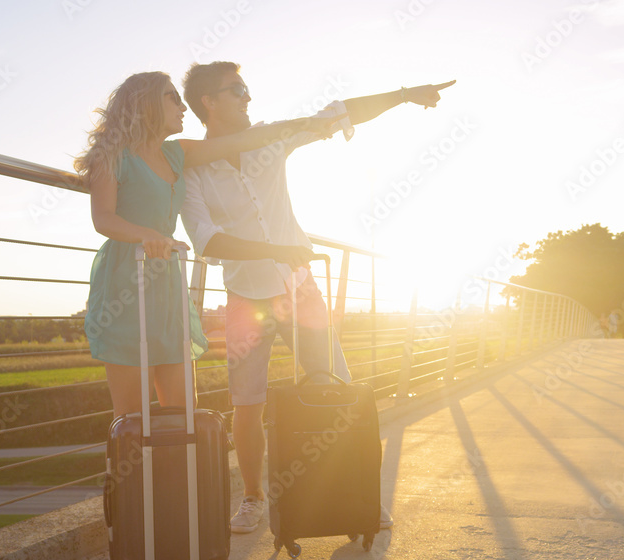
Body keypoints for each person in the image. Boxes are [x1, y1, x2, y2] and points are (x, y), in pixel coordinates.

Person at [180, 61, 454, 533]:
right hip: (246, 297)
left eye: (247, 88)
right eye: (237, 90)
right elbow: (207, 241)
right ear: (209, 102)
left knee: (338, 391)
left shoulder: (272, 137)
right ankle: (252, 498)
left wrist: (405, 94)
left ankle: (358, 495)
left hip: (298, 290)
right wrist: (278, 250)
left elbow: (337, 112)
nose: (248, 97)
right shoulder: (191, 168)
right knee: (247, 405)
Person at [74, 71, 340, 417]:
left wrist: (313, 123)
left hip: (168, 280)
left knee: (185, 412)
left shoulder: (176, 154)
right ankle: (124, 471)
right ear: (145, 103)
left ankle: (178, 473)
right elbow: (103, 219)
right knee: (131, 418)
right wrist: (146, 235)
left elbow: (242, 142)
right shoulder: (111, 154)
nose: (183, 106)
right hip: (127, 279)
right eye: (172, 97)